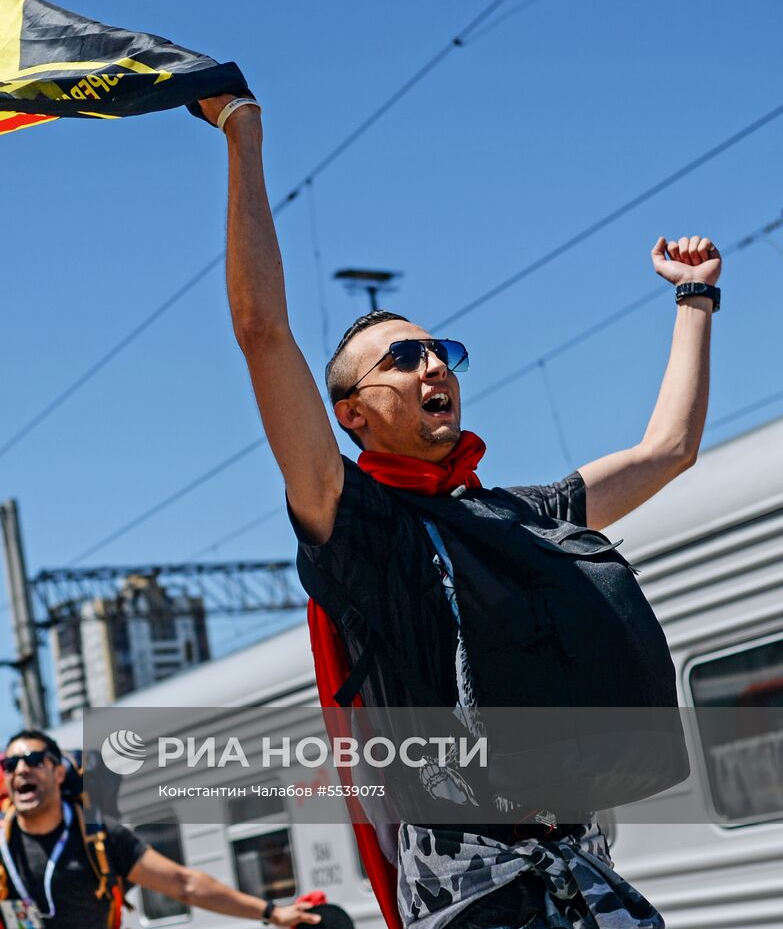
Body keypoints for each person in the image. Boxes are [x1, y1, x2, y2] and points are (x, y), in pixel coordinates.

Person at [201, 89, 719, 928]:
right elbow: (262, 331)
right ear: (353, 416)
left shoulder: (528, 514)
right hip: (475, 897)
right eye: (403, 358)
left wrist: (694, 299)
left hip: (584, 878)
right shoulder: (361, 529)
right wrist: (241, 134)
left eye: (442, 351)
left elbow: (669, 451)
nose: (433, 365)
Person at [0, 731, 318, 928]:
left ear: (59, 772)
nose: (20, 770)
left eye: (35, 760)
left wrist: (272, 911)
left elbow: (185, 883)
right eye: (11, 765)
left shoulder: (100, 838)